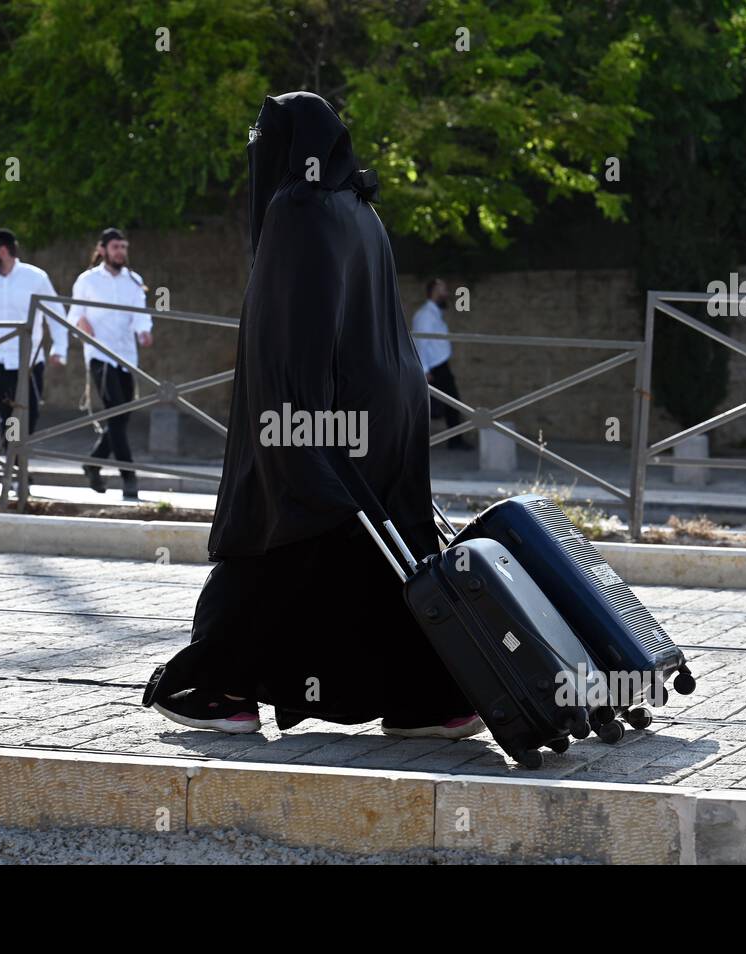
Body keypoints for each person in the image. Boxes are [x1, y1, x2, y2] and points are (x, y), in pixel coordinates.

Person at [141, 91, 481, 740]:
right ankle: (430, 700)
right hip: (386, 411)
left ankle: (217, 687)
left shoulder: (297, 210)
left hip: (317, 411)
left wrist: (292, 432)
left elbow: (291, 335)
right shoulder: (359, 207)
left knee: (274, 542)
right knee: (371, 555)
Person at [67, 227, 152, 500]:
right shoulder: (87, 280)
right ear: (103, 249)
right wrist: (80, 323)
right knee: (115, 414)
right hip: (100, 355)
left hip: (127, 357)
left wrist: (144, 330)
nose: (121, 252)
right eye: (116, 247)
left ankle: (93, 462)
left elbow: (141, 314)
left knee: (122, 417)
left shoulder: (134, 280)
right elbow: (73, 315)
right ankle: (129, 478)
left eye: (124, 247)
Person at [0, 229, 67, 440]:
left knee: (29, 414)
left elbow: (56, 314)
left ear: (2, 251)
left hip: (27, 360)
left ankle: (16, 461)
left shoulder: (36, 277)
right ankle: (16, 465)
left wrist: (60, 348)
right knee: (8, 417)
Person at [411, 278, 474, 451]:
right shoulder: (425, 315)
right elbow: (420, 342)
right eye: (443, 290)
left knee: (448, 404)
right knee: (447, 403)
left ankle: (454, 440)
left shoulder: (434, 314)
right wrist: (424, 368)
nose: (446, 293)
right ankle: (453, 441)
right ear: (434, 292)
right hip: (434, 367)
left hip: (439, 365)